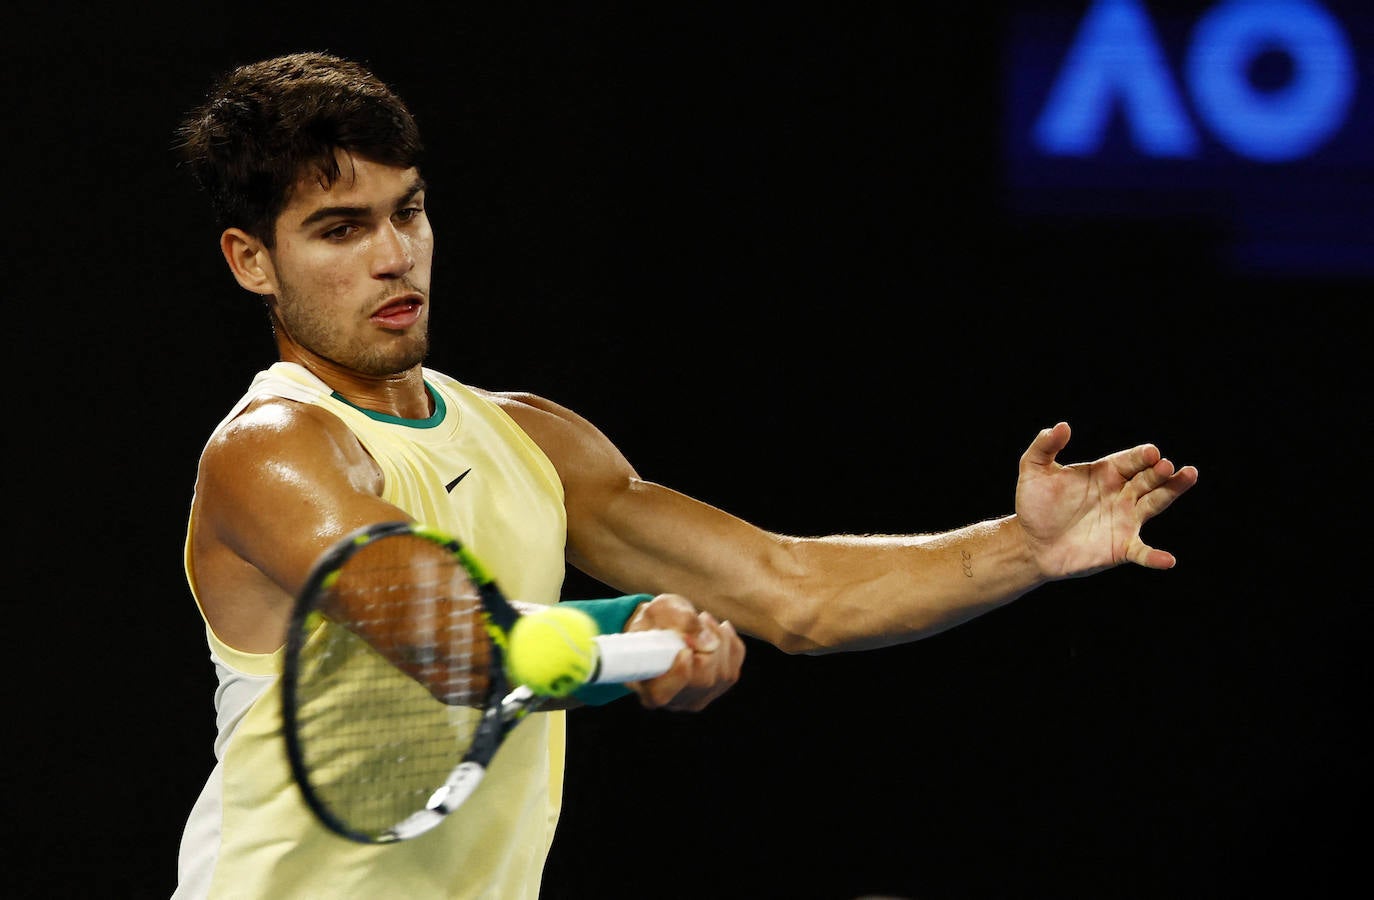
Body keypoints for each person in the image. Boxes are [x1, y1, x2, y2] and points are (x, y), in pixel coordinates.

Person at [171, 51, 1198, 899]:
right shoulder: (271, 450)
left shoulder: (532, 439)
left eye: (410, 212)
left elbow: (790, 590)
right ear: (251, 261)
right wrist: (631, 639)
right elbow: (453, 646)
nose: (397, 256)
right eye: (341, 230)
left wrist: (1025, 546)